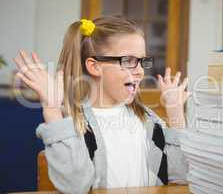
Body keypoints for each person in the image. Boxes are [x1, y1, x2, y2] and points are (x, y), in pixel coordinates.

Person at [13, 16, 190, 194]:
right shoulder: (72, 123)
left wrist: (176, 114)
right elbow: (75, 186)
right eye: (128, 61)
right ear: (95, 66)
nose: (140, 70)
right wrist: (52, 108)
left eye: (142, 61)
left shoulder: (149, 120)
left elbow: (181, 175)